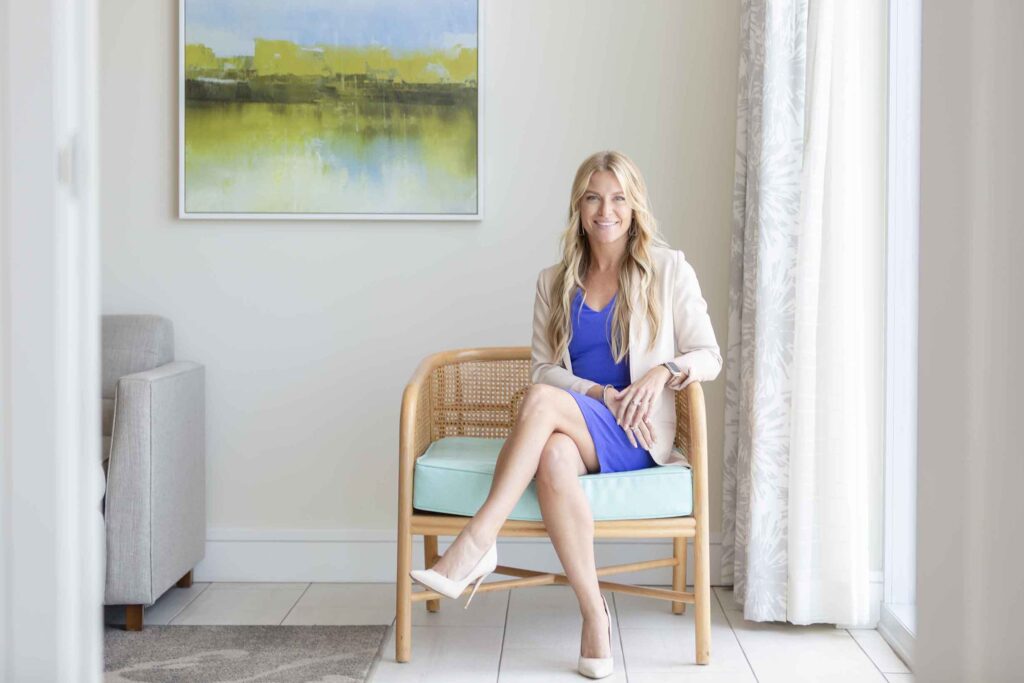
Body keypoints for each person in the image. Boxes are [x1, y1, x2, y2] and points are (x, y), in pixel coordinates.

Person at [410, 150, 722, 679]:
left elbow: (708, 355)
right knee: (552, 452)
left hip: (638, 433)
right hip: (585, 423)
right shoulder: (554, 281)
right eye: (594, 197)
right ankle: (594, 613)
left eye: (619, 197)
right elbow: (545, 370)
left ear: (634, 205)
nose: (607, 209)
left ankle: (477, 541)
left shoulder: (669, 268)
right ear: (578, 207)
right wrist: (601, 393)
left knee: (539, 406)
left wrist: (659, 373)